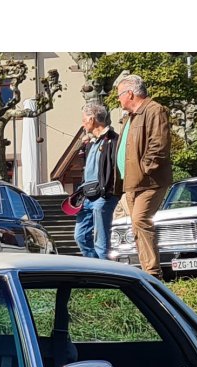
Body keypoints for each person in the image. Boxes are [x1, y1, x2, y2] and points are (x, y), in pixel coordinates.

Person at [115, 74, 172, 277]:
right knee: (137, 226)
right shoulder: (130, 117)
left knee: (140, 220)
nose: (118, 99)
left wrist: (146, 168)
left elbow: (159, 143)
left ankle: (152, 274)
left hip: (149, 180)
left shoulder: (154, 110)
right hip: (131, 182)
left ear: (130, 93)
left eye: (119, 94)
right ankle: (146, 271)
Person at [74, 101, 121, 261]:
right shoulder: (90, 143)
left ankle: (106, 276)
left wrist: (111, 190)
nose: (82, 124)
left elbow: (117, 167)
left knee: (101, 241)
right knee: (80, 236)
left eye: (83, 120)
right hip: (87, 196)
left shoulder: (113, 141)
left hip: (103, 196)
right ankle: (97, 268)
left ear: (92, 119)